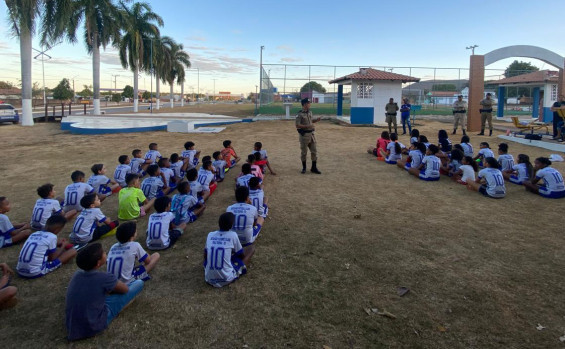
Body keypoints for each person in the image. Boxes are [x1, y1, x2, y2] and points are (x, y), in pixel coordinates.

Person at [65, 243, 144, 341]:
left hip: (73, 326)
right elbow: (125, 290)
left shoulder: (77, 275)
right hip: (94, 325)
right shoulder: (104, 278)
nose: (105, 253)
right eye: (103, 253)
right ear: (98, 263)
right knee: (138, 283)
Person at [204, 212, 249, 288]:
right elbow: (241, 255)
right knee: (251, 249)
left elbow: (205, 256)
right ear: (231, 225)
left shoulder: (210, 234)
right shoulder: (233, 235)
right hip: (226, 278)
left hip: (209, 278)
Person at [296, 98, 322, 174]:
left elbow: (311, 121)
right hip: (304, 135)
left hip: (311, 135)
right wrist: (307, 126)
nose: (309, 104)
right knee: (304, 152)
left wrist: (316, 120)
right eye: (308, 103)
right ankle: (304, 168)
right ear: (304, 104)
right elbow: (297, 125)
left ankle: (313, 168)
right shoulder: (299, 114)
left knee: (314, 151)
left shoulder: (310, 112)